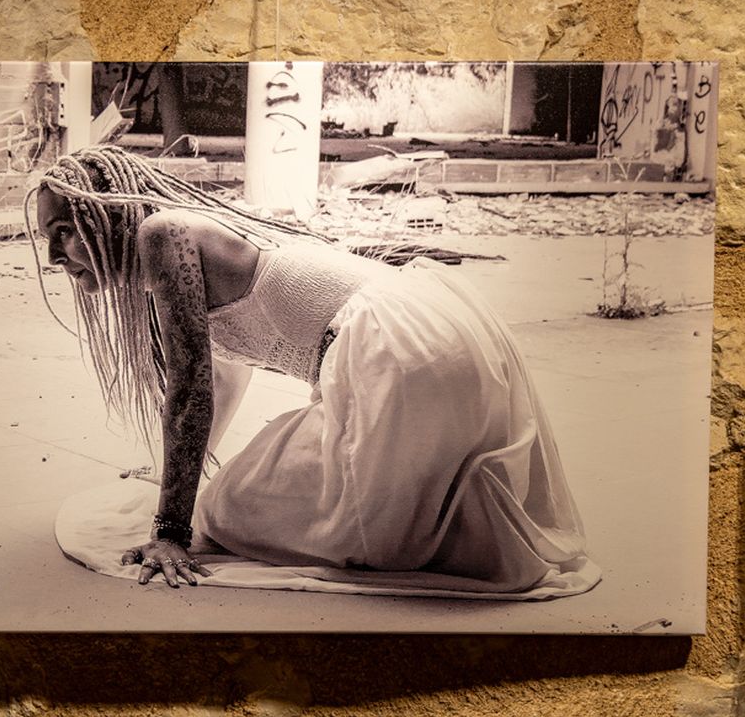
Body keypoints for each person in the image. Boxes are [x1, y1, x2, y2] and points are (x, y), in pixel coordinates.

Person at [32, 145, 595, 595]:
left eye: (65, 230)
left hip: (395, 358)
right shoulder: (193, 239)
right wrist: (174, 475)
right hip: (442, 342)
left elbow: (189, 392)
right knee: (333, 509)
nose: (56, 256)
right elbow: (226, 375)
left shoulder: (163, 233)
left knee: (228, 512)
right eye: (46, 238)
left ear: (105, 210)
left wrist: (171, 532)